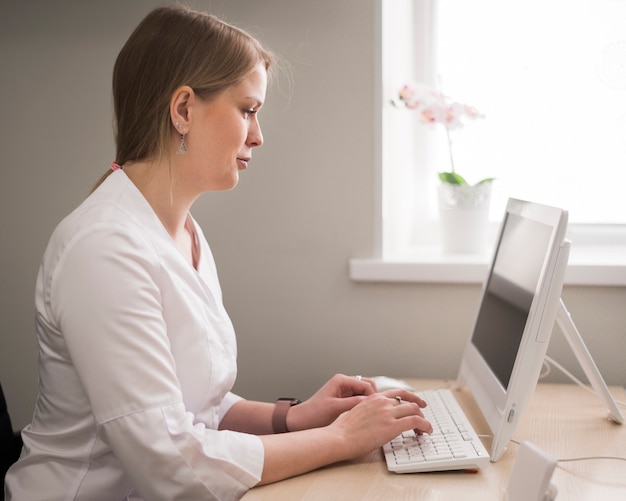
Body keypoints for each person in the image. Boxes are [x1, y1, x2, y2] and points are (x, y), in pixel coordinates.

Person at [4, 5, 432, 501]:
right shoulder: (102, 248)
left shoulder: (183, 233)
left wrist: (293, 417)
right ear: (183, 109)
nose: (258, 135)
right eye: (248, 110)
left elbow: (195, 405)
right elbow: (170, 462)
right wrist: (339, 439)